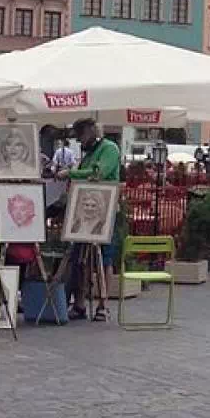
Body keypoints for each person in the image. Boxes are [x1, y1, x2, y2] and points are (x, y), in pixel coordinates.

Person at [57, 118, 121, 321]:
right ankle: (80, 303)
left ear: (92, 131)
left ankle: (103, 304)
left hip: (105, 210)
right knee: (80, 258)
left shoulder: (109, 149)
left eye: (81, 135)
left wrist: (71, 173)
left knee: (104, 258)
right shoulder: (90, 153)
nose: (80, 141)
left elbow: (98, 173)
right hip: (84, 211)